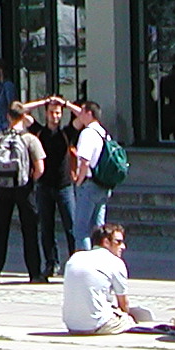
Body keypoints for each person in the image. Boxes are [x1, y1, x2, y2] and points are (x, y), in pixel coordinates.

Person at [0, 102, 47, 285]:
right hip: (24, 189)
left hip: (2, 188)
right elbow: (40, 167)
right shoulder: (30, 139)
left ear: (8, 117)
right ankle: (34, 273)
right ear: (23, 117)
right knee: (30, 231)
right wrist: (30, 180)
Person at [61, 222, 154, 334]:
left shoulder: (75, 257)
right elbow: (123, 304)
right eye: (118, 242)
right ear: (106, 242)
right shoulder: (115, 262)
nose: (123, 247)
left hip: (71, 325)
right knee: (133, 320)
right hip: (97, 325)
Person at [31, 97, 75, 276]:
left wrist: (66, 104)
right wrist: (42, 102)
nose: (54, 116)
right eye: (51, 112)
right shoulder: (39, 132)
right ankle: (51, 263)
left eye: (58, 113)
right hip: (44, 186)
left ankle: (74, 263)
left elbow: (84, 116)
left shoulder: (67, 132)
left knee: (71, 226)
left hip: (64, 186)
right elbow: (19, 111)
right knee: (46, 227)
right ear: (46, 114)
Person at [62, 97, 113, 251]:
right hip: (103, 184)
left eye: (82, 112)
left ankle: (85, 265)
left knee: (81, 230)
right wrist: (67, 105)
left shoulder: (87, 133)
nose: (79, 115)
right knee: (98, 230)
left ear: (89, 114)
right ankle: (99, 263)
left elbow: (84, 161)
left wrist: (78, 181)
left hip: (89, 184)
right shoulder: (104, 133)